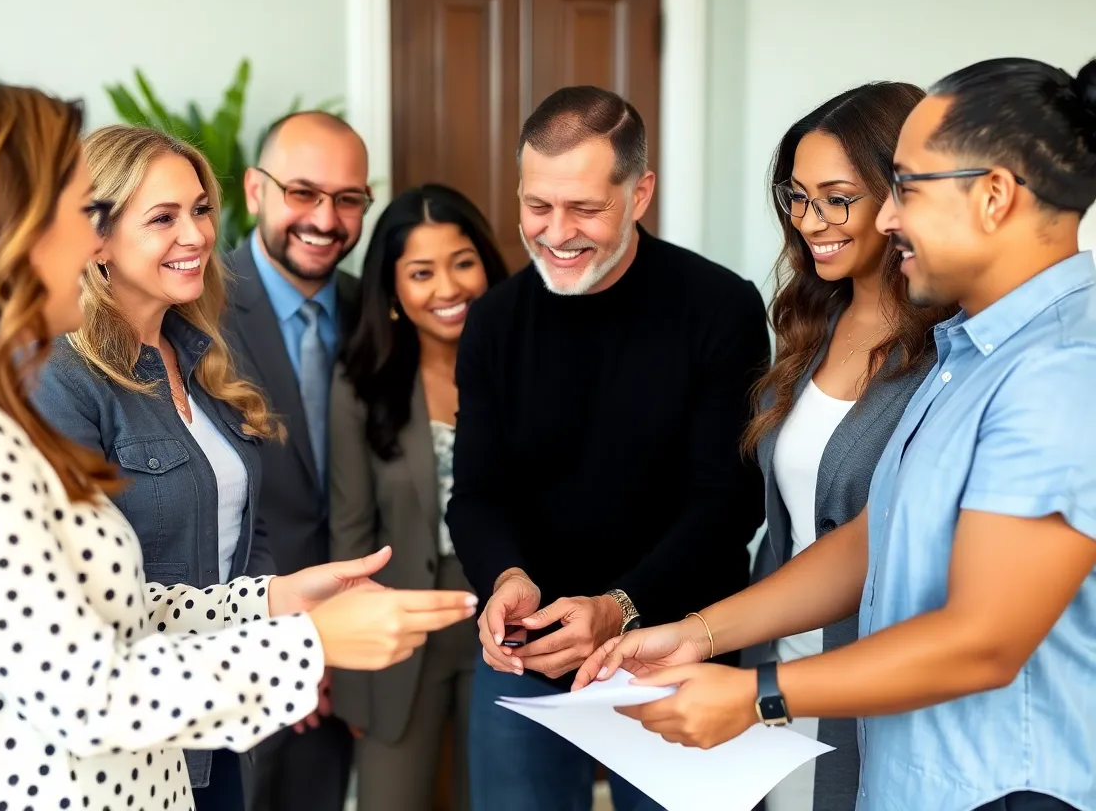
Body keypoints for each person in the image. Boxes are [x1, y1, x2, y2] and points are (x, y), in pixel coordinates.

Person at [0, 70, 477, 811]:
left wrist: (271, 600)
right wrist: (308, 643)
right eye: (82, 208)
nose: (90, 233)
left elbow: (106, 612)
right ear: (5, 227)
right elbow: (88, 694)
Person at [577, 57, 1096, 811]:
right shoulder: (971, 355)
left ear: (993, 196)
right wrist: (699, 633)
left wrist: (757, 695)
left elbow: (984, 639)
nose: (887, 218)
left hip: (1004, 792)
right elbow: (870, 536)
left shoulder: (1060, 371)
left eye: (908, 188)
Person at [447, 85, 770, 811]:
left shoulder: (718, 306)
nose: (556, 232)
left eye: (585, 208)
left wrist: (622, 605)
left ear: (640, 192)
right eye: (537, 205)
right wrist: (504, 579)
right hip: (532, 648)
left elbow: (728, 499)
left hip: (682, 639)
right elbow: (477, 492)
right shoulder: (495, 321)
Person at [30, 124, 282, 808]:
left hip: (221, 712)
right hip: (123, 740)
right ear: (97, 239)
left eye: (201, 209)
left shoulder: (203, 356)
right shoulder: (62, 378)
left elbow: (245, 528)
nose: (198, 235)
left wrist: (274, 635)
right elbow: (78, 599)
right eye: (163, 217)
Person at [740, 82, 955, 811]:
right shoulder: (810, 325)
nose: (811, 222)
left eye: (837, 197)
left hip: (874, 689)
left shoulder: (952, 353)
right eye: (797, 197)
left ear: (902, 196)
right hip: (773, 667)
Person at [329, 184, 510, 811]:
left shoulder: (525, 368)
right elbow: (349, 533)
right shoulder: (362, 382)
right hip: (397, 630)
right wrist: (350, 676)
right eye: (421, 272)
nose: (448, 288)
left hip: (509, 626)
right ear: (393, 288)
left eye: (462, 262)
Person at [224, 110, 369, 811]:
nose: (325, 218)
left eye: (348, 199)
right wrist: (288, 647)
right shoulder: (194, 306)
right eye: (303, 192)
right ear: (256, 190)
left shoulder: (376, 310)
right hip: (228, 650)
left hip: (349, 651)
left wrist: (335, 648)